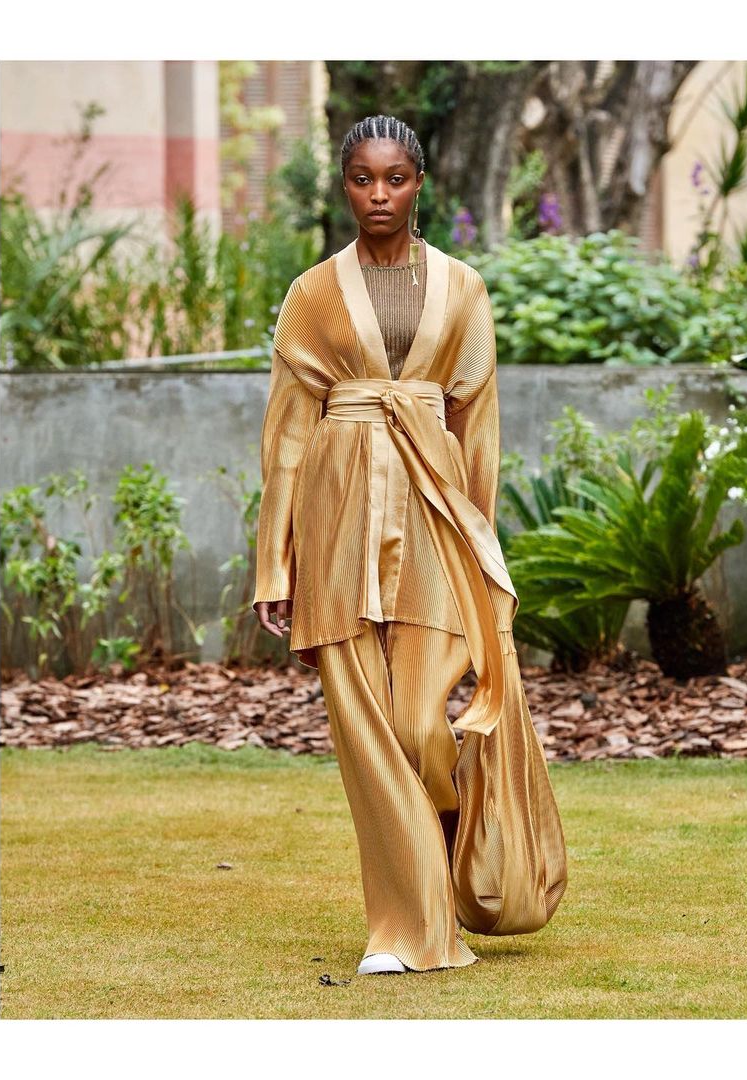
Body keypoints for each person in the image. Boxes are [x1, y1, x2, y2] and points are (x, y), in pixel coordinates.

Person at [253, 114, 567, 976]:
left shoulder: (463, 289)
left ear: (419, 182)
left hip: (434, 515)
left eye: (394, 178)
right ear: (345, 186)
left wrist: (479, 538)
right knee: (368, 732)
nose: (379, 194)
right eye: (363, 179)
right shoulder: (312, 294)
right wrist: (274, 563)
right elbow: (286, 436)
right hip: (336, 519)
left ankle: (456, 825)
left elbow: (478, 422)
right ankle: (407, 930)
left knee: (420, 723)